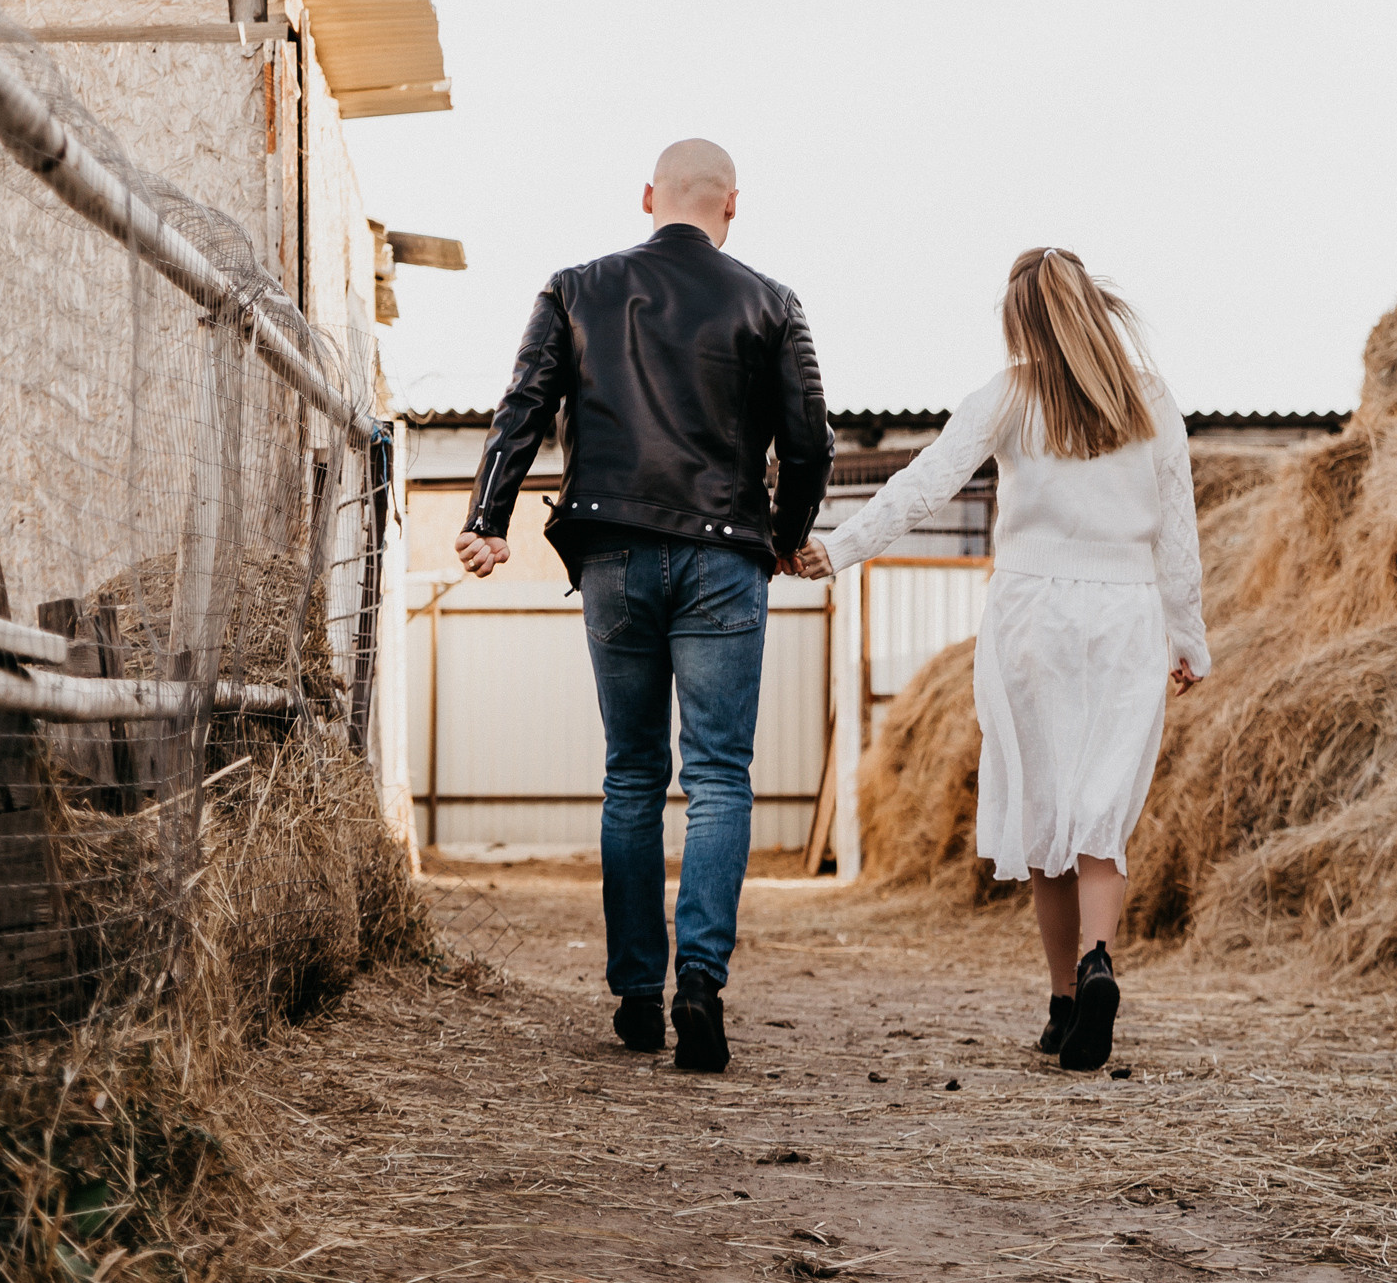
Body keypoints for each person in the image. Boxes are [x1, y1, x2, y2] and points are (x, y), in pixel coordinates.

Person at [455, 137, 834, 1072]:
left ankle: (635, 994)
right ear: (732, 206)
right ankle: (699, 983)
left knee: (631, 775)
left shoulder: (573, 287)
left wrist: (488, 521)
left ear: (646, 197)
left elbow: (523, 408)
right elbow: (812, 441)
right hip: (724, 558)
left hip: (613, 549)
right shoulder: (771, 302)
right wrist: (784, 535)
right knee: (718, 778)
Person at [797, 246, 1209, 1072]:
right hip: (1126, 613)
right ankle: (1098, 961)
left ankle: (1063, 1003)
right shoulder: (1150, 398)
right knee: (1099, 815)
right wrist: (1187, 636)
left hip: (1032, 616)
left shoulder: (1007, 395)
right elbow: (1177, 525)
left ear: (1020, 322)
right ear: (1093, 307)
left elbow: (924, 484)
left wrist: (838, 549)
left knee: (1042, 808)